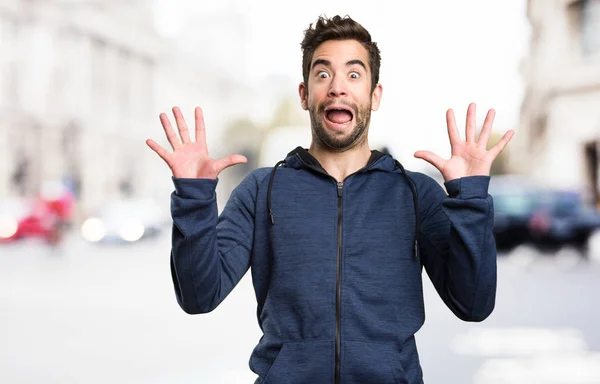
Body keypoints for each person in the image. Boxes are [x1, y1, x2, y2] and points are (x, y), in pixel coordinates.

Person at [146, 14, 514, 384]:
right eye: (323, 74)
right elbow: (198, 297)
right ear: (305, 95)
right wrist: (193, 198)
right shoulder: (261, 191)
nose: (338, 87)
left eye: (354, 75)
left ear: (375, 95)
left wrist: (470, 197)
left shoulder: (415, 194)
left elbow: (474, 304)